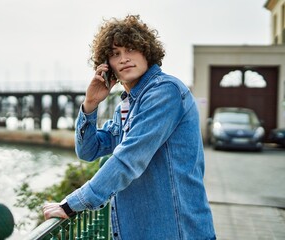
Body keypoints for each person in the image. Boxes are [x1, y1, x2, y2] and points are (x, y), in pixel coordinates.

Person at [43, 14, 216, 240]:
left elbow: (129, 158)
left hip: (179, 231)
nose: (124, 58)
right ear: (107, 66)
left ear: (147, 52)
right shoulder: (126, 106)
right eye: (115, 54)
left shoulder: (165, 92)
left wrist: (71, 205)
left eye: (131, 49)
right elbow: (88, 151)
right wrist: (91, 104)